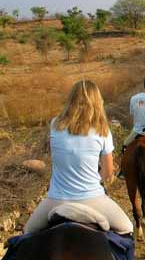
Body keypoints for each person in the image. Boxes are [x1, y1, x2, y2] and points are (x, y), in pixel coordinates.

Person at [24, 80, 133, 235]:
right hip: (93, 199)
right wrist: (97, 180)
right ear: (97, 102)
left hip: (56, 199)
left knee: (27, 233)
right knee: (127, 228)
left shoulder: (55, 125)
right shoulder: (102, 130)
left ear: (71, 100)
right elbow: (108, 171)